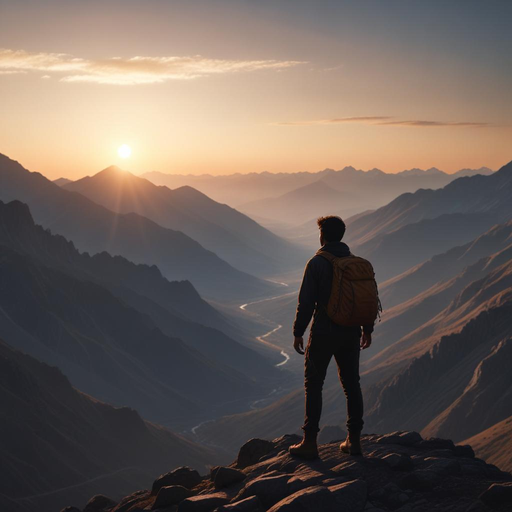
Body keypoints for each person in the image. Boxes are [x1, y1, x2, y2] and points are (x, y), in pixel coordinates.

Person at [289, 215, 374, 459]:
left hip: (324, 331)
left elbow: (306, 302)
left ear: (322, 235)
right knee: (351, 385)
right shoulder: (355, 263)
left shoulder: (316, 263)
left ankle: (309, 442)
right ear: (343, 235)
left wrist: (298, 332)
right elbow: (366, 298)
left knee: (314, 384)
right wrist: (367, 328)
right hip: (351, 331)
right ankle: (354, 441)